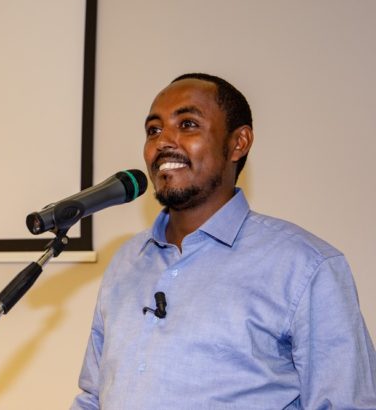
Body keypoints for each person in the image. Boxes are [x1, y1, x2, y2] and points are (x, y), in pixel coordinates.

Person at [71, 73, 376, 409]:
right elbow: (93, 397)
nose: (163, 142)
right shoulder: (127, 261)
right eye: (153, 130)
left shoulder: (307, 266)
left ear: (238, 143)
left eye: (187, 124)